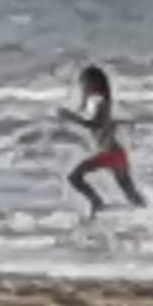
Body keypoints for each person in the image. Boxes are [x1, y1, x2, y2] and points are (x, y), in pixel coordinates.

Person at [60, 65, 141, 215]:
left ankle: (97, 202)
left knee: (74, 177)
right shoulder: (100, 102)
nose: (82, 87)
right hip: (115, 153)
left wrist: (71, 117)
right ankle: (150, 214)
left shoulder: (102, 102)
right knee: (130, 192)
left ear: (95, 83)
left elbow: (95, 125)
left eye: (85, 83)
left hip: (109, 154)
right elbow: (103, 125)